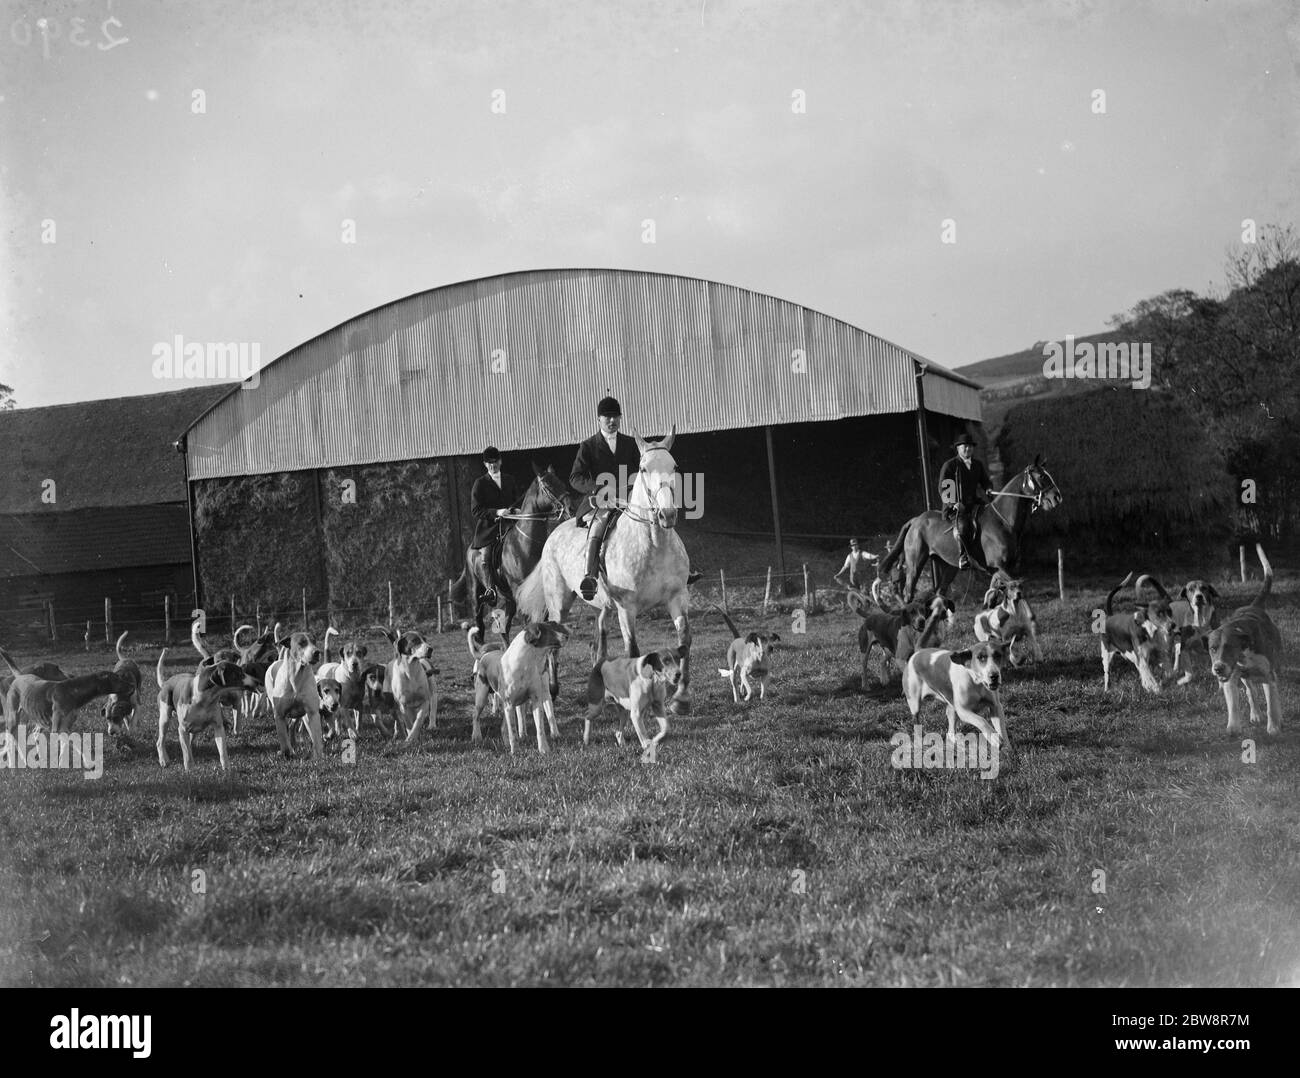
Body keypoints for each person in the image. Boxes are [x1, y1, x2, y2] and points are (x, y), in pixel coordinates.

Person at [570, 396, 701, 601]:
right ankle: (590, 575)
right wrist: (598, 488)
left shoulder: (631, 444)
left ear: (620, 418)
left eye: (615, 417)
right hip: (601, 501)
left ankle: (681, 568)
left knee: (662, 516)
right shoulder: (587, 446)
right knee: (600, 525)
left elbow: (642, 471)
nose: (612, 421)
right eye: (607, 417)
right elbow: (575, 478)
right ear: (599, 419)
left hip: (630, 498)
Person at [470, 446, 521, 604]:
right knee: (487, 554)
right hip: (489, 528)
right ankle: (491, 589)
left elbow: (515, 499)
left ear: (500, 461)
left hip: (510, 523)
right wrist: (497, 512)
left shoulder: (510, 479)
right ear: (485, 464)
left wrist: (517, 509)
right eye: (489, 463)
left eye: (495, 461)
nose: (493, 465)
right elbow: (476, 510)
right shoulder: (480, 483)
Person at [937, 432, 991, 569]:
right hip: (955, 508)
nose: (968, 449)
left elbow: (986, 482)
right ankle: (963, 557)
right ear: (958, 448)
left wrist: (988, 489)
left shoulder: (977, 465)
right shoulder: (950, 466)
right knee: (962, 527)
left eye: (970, 447)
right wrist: (953, 503)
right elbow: (943, 489)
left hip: (973, 504)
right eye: (965, 447)